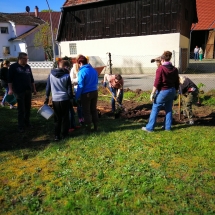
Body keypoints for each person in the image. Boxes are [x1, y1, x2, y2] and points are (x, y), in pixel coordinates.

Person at [142, 51, 179, 132]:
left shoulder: (161, 69)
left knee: (155, 108)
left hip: (163, 91)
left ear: (162, 60)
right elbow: (177, 81)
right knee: (168, 109)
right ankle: (167, 127)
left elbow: (157, 82)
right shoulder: (175, 69)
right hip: (172, 91)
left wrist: (152, 93)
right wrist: (176, 92)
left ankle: (150, 128)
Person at [8, 52, 37, 132]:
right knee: (21, 109)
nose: (26, 60)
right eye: (25, 59)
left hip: (28, 90)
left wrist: (34, 89)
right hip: (19, 91)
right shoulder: (13, 67)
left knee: (28, 108)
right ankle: (20, 126)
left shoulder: (28, 67)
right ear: (20, 59)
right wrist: (10, 89)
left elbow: (32, 79)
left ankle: (27, 123)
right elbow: (9, 79)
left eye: (27, 59)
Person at [45, 60, 73, 141]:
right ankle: (65, 134)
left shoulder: (51, 75)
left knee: (57, 118)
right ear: (65, 67)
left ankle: (57, 135)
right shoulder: (67, 76)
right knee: (65, 117)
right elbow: (69, 89)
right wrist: (71, 99)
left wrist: (47, 97)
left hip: (55, 100)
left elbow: (48, 87)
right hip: (64, 99)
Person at [75, 55, 98, 132]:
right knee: (93, 110)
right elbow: (96, 81)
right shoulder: (94, 70)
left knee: (86, 111)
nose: (78, 65)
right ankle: (96, 126)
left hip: (86, 94)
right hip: (95, 92)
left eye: (78, 63)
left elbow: (80, 85)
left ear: (80, 63)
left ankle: (88, 128)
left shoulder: (81, 72)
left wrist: (77, 97)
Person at [70, 57, 84, 125]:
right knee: (79, 105)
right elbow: (71, 80)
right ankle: (80, 119)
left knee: (85, 104)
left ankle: (85, 118)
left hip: (85, 89)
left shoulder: (83, 68)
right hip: (77, 88)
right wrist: (79, 79)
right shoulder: (73, 69)